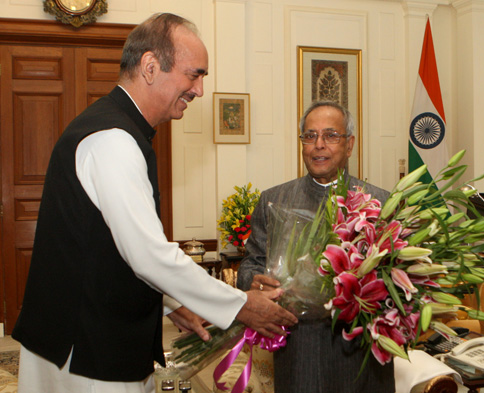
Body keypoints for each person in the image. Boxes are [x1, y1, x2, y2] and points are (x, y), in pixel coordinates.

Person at [12, 13, 297, 393]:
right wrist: (241, 304)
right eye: (193, 75)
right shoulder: (113, 139)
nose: (198, 90)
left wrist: (167, 302)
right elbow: (147, 254)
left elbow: (106, 250)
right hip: (88, 353)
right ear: (150, 67)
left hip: (86, 342)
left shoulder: (115, 127)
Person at [237, 101, 395, 393]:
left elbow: (399, 282)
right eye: (310, 136)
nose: (318, 145)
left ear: (349, 145)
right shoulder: (274, 201)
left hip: (362, 353)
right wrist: (253, 280)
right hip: (299, 350)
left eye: (331, 136)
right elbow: (250, 264)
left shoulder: (381, 203)